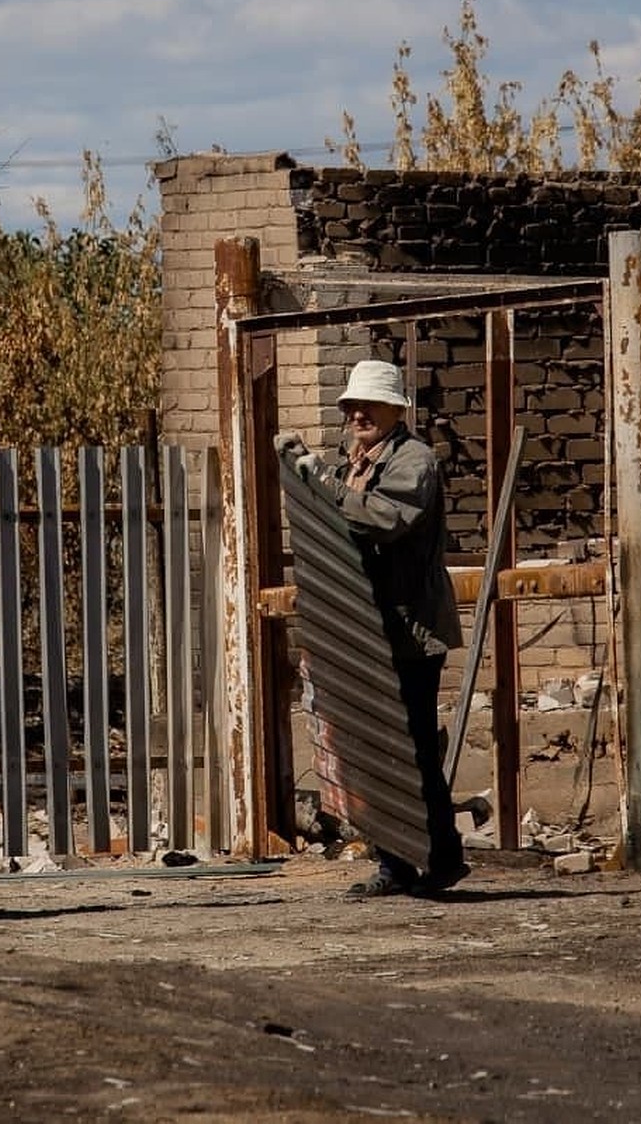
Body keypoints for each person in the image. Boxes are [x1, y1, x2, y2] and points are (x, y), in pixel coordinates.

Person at [276, 359, 467, 899]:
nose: (356, 414)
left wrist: (318, 481)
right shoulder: (355, 461)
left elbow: (380, 518)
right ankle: (399, 865)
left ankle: (438, 860)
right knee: (373, 749)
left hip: (410, 630)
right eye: (350, 407)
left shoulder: (414, 462)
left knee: (413, 750)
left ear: (394, 410)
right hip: (368, 630)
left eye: (367, 406)